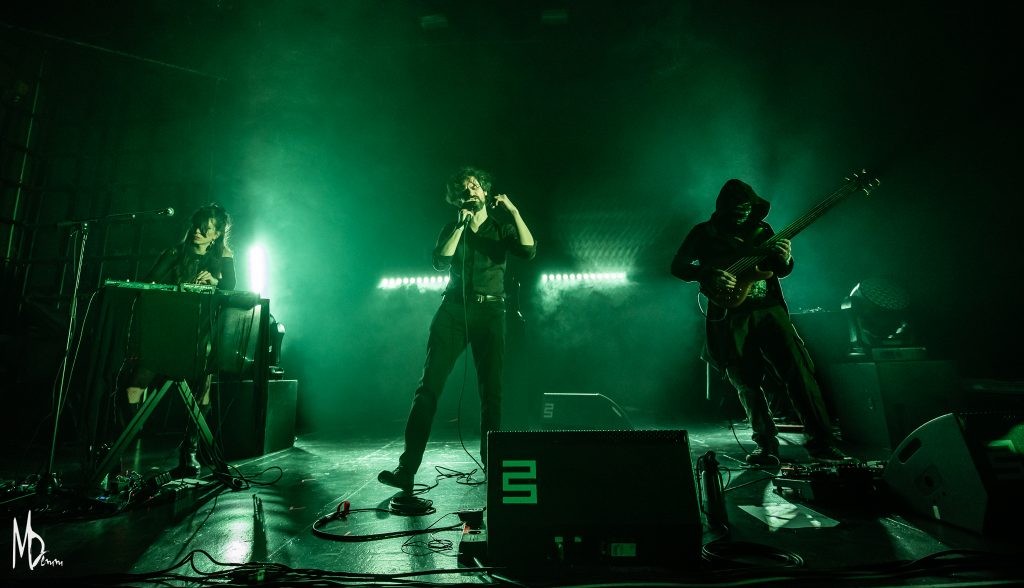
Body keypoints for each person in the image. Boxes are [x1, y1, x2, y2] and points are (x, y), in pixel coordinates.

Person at [378, 167, 537, 491]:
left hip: (491, 311)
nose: (470, 191)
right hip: (453, 311)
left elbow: (528, 250)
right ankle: (406, 470)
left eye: (475, 186)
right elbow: (440, 261)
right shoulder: (452, 228)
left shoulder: (502, 228)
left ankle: (493, 469)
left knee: (491, 393)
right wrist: (461, 227)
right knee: (428, 389)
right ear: (457, 199)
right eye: (464, 189)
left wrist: (514, 211)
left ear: (485, 191)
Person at [671, 179, 846, 466]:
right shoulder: (704, 232)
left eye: (747, 207)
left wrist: (785, 259)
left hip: (769, 310)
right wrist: (706, 274)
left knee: (800, 372)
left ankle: (822, 444)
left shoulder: (763, 231)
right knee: (746, 381)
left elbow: (780, 270)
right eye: (736, 208)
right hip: (731, 316)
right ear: (723, 207)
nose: (742, 212)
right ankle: (766, 445)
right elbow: (677, 266)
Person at [124, 203, 235, 478]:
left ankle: (190, 452)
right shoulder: (175, 252)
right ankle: (124, 445)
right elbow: (149, 283)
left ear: (216, 234)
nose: (198, 231)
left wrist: (214, 282)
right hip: (168, 329)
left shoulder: (223, 256)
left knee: (204, 385)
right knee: (136, 385)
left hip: (201, 331)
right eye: (196, 225)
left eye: (206, 229)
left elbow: (230, 287)